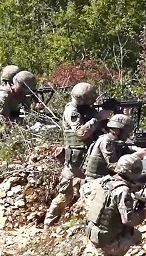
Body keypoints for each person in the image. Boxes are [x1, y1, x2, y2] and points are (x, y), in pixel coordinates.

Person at [44, 82, 112, 225]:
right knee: (65, 194)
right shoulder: (72, 111)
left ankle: (89, 224)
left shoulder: (87, 111)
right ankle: (49, 223)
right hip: (76, 160)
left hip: (91, 157)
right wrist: (98, 118)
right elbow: (81, 133)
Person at [85, 154, 146, 256]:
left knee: (135, 234)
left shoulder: (107, 181)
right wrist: (142, 211)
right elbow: (129, 220)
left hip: (93, 232)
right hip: (106, 239)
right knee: (137, 250)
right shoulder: (122, 191)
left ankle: (107, 253)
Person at [83, 114, 146, 180]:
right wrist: (136, 155)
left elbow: (127, 147)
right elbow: (114, 166)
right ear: (117, 130)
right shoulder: (106, 141)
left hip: (104, 178)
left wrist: (140, 150)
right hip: (95, 180)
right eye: (126, 131)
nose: (128, 134)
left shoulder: (115, 140)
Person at [0, 70, 37, 135]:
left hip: (0, 127)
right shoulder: (3, 96)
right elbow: (5, 121)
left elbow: (20, 111)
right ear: (23, 88)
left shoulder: (17, 94)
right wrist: (26, 124)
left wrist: (35, 107)